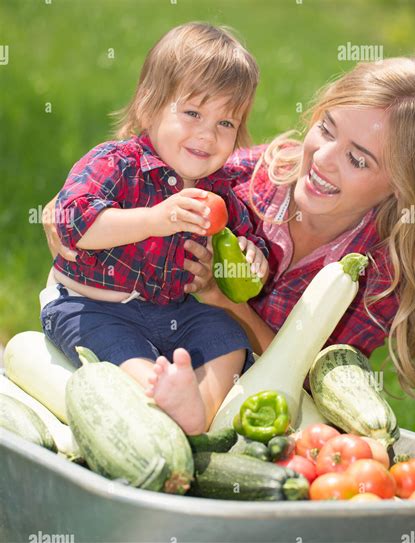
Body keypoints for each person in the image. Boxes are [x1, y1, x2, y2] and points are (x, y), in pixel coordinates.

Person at [44, 56, 415, 405]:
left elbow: (315, 385)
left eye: (358, 160)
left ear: (405, 190)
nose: (323, 158)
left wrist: (223, 300)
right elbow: (144, 175)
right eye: (326, 129)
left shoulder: (380, 277)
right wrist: (62, 213)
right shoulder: (247, 178)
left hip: (253, 401)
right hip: (138, 339)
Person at [39, 22, 269, 435]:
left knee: (227, 338)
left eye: (225, 124)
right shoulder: (117, 162)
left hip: (175, 311)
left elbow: (242, 239)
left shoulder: (219, 189)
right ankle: (154, 392)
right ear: (149, 107)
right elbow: (75, 224)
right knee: (119, 350)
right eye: (193, 113)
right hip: (92, 306)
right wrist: (155, 219)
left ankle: (198, 406)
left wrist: (253, 259)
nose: (207, 134)